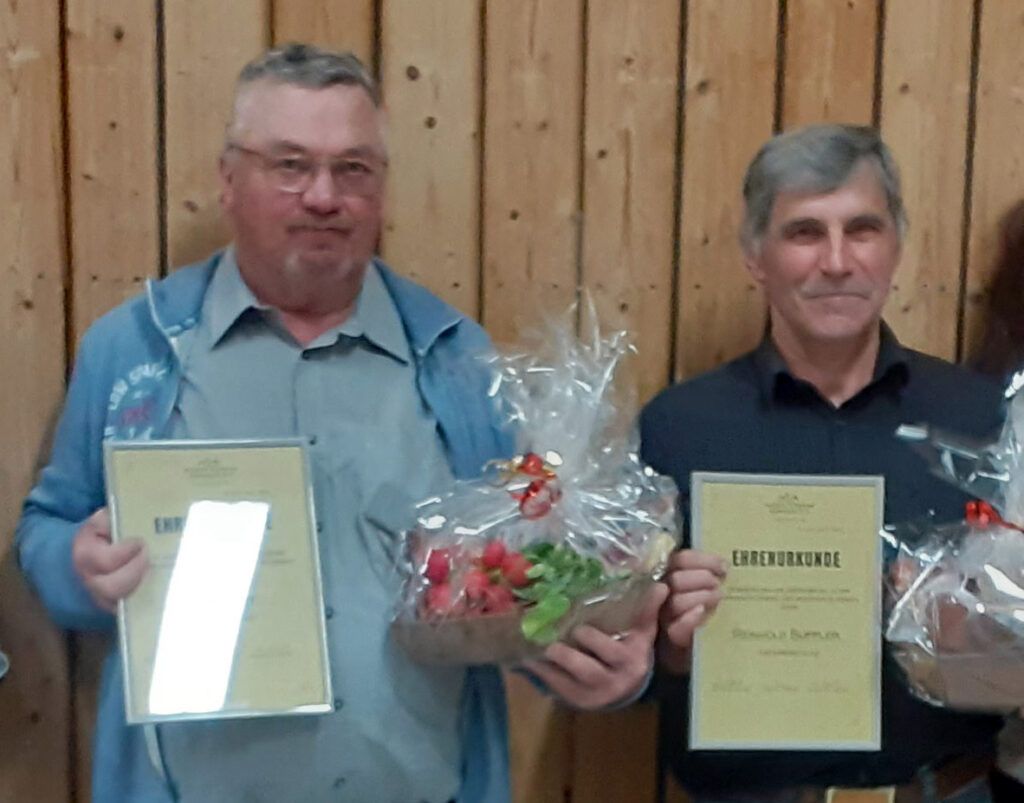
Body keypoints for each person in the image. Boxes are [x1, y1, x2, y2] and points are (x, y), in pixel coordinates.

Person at [17, 44, 661, 803]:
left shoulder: (457, 361)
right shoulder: (137, 349)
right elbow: (47, 527)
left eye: (353, 169)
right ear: (229, 180)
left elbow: (510, 581)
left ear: (382, 190)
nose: (323, 196)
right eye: (289, 165)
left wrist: (599, 659)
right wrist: (77, 566)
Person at [642, 124, 1004, 803]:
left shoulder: (984, 423)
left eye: (862, 229)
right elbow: (621, 671)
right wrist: (668, 648)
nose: (837, 261)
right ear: (756, 256)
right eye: (804, 232)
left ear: (896, 246)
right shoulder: (678, 427)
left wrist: (978, 627)